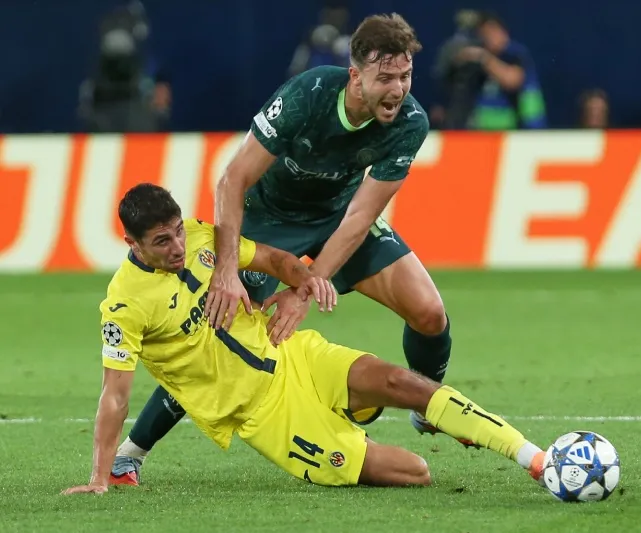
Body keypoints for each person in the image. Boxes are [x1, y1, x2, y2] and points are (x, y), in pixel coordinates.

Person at [110, 12, 464, 487]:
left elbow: (360, 217)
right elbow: (233, 179)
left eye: (405, 76)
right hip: (268, 218)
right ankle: (131, 452)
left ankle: (428, 404)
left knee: (429, 312)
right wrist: (227, 270)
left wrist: (305, 288)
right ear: (356, 75)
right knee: (221, 326)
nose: (398, 90)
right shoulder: (309, 94)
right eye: (386, 78)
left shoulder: (409, 122)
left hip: (337, 218)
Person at [61, 184, 547, 495]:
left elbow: (271, 260)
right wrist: (100, 477)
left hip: (294, 354)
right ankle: (345, 429)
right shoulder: (123, 305)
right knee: (415, 470)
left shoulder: (202, 237)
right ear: (133, 245)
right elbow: (115, 395)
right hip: (266, 415)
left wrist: (302, 281)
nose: (177, 247)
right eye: (161, 242)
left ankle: (536, 458)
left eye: (176, 233)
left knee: (403, 381)